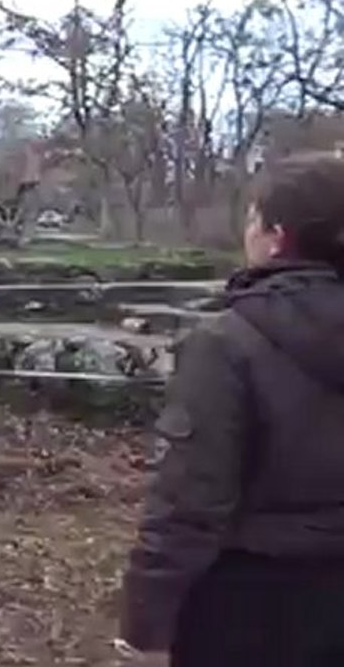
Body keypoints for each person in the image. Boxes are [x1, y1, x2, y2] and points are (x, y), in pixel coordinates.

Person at [118, 153, 344, 667]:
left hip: (254, 609)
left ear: (276, 236)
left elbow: (189, 503)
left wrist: (147, 628)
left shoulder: (227, 343)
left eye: (251, 217)